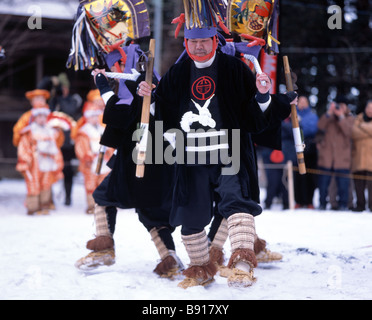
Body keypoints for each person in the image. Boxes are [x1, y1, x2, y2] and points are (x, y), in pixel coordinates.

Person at [138, 22, 293, 288]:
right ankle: (200, 270)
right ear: (186, 44)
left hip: (229, 148)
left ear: (215, 41)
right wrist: (148, 98)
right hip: (191, 156)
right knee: (191, 212)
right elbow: (163, 112)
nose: (199, 47)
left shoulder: (234, 69)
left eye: (204, 41)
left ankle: (243, 265)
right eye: (193, 42)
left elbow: (253, 119)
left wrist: (264, 95)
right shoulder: (177, 73)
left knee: (237, 202)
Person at [15, 89, 64, 215]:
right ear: (32, 102)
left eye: (42, 99)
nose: (40, 101)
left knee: (47, 182)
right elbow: (20, 136)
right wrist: (25, 158)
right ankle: (33, 206)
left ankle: (46, 204)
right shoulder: (27, 120)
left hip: (48, 158)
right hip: (34, 157)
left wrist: (57, 135)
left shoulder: (51, 120)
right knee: (34, 182)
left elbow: (58, 140)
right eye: (37, 99)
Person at [74, 102, 114, 214]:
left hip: (104, 160)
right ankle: (91, 205)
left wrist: (109, 153)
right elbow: (80, 147)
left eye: (96, 116)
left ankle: (103, 204)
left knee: (103, 182)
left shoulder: (103, 129)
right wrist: (87, 155)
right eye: (91, 116)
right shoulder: (83, 131)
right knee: (91, 184)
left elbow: (111, 145)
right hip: (91, 161)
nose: (94, 118)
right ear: (87, 117)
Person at [316, 96, 355, 210]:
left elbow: (349, 132)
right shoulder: (329, 117)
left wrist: (341, 117)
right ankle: (322, 203)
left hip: (342, 158)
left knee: (343, 184)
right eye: (338, 105)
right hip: (327, 157)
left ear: (347, 107)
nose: (340, 108)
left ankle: (343, 204)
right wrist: (329, 113)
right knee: (323, 184)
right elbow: (319, 126)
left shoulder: (350, 118)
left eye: (343, 106)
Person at [294, 95, 319, 208]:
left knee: (310, 176)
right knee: (297, 176)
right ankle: (298, 201)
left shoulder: (312, 116)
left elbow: (312, 129)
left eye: (305, 102)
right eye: (300, 102)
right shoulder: (292, 113)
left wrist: (300, 123)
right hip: (295, 148)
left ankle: (309, 201)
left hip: (310, 150)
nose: (302, 104)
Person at [351, 100, 372, 212]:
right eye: (369, 107)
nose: (370, 110)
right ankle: (360, 205)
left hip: (371, 159)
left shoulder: (359, 123)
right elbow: (354, 133)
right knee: (358, 184)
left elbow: (359, 131)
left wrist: (362, 126)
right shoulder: (357, 119)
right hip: (358, 158)